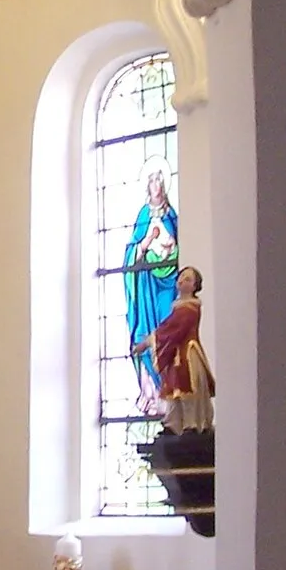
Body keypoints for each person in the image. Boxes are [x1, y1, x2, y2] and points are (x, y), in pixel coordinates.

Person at [122, 167, 180, 410]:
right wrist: (146, 242)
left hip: (167, 283)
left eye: (159, 179)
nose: (156, 184)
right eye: (152, 180)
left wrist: (169, 247)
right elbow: (131, 254)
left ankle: (170, 393)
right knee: (143, 334)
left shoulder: (172, 215)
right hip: (146, 283)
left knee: (166, 332)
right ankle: (152, 393)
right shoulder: (144, 214)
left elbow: (179, 244)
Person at [131, 266, 214, 433]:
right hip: (177, 355)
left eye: (188, 279)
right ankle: (174, 423)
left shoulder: (189, 309)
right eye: (181, 277)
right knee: (174, 390)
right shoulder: (178, 307)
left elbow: (171, 330)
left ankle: (192, 423)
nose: (182, 280)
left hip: (188, 356)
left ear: (195, 286)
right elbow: (168, 329)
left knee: (188, 390)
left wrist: (146, 343)